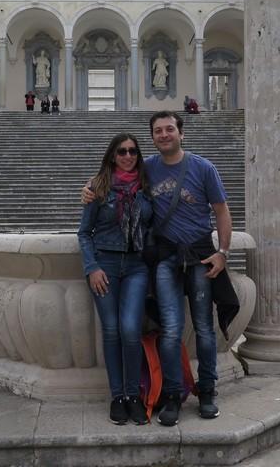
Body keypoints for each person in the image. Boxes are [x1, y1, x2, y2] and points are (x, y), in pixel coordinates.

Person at [83, 111, 233, 427]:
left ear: (181, 132)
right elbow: (93, 212)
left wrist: (223, 252)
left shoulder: (199, 168)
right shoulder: (134, 172)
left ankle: (205, 391)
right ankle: (162, 396)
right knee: (167, 328)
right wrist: (90, 189)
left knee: (203, 328)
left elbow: (221, 210)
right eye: (158, 131)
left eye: (169, 129)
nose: (164, 135)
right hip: (153, 261)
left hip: (192, 258)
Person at [78, 134, 153, 426]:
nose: (127, 156)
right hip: (105, 265)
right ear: (112, 155)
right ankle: (117, 397)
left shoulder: (147, 186)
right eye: (121, 151)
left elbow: (155, 223)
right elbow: (84, 232)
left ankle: (133, 396)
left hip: (136, 266)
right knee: (111, 330)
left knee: (130, 329)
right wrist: (92, 267)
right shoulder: (98, 186)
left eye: (133, 151)